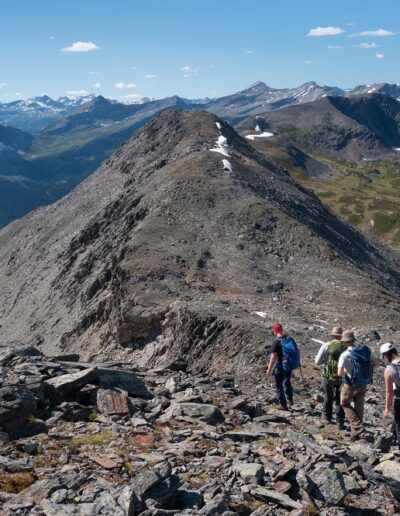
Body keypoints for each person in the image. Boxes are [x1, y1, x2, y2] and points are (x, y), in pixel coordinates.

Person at [338, 331, 378, 438]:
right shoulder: (365, 352)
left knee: (344, 403)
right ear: (353, 341)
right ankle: (356, 432)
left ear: (345, 343)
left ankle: (357, 426)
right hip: (363, 383)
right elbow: (377, 363)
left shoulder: (345, 354)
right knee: (359, 405)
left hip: (350, 383)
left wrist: (347, 372)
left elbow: (339, 373)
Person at [315, 326, 346, 429]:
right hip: (342, 377)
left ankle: (326, 418)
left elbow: (317, 362)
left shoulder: (326, 345)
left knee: (328, 396)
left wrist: (326, 362)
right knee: (339, 399)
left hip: (329, 376)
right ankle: (340, 422)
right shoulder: (346, 346)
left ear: (332, 335)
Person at [267, 322, 300, 410]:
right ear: (281, 329)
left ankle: (283, 404)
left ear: (274, 330)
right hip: (288, 365)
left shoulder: (276, 342)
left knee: (278, 385)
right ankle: (290, 400)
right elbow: (298, 350)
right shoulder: (289, 338)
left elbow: (273, 357)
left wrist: (269, 369)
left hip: (280, 365)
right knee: (287, 381)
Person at [381, 342, 400, 450]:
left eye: (383, 356)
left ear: (387, 354)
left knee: (399, 425)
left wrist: (387, 408)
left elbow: (389, 391)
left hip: (399, 399)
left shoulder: (388, 370)